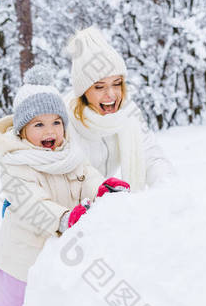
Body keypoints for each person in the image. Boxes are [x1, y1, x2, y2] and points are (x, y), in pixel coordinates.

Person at [0, 66, 129, 306]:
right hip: (21, 258)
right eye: (39, 124)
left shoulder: (70, 155)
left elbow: (86, 178)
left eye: (56, 123)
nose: (50, 131)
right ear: (22, 130)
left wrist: (102, 189)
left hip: (59, 252)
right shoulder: (16, 164)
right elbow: (32, 203)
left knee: (44, 303)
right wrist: (64, 218)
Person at [63, 25, 174, 190]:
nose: (112, 94)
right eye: (99, 87)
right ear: (83, 92)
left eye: (117, 84)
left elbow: (151, 156)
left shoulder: (128, 113)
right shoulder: (62, 120)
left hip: (102, 199)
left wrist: (168, 185)